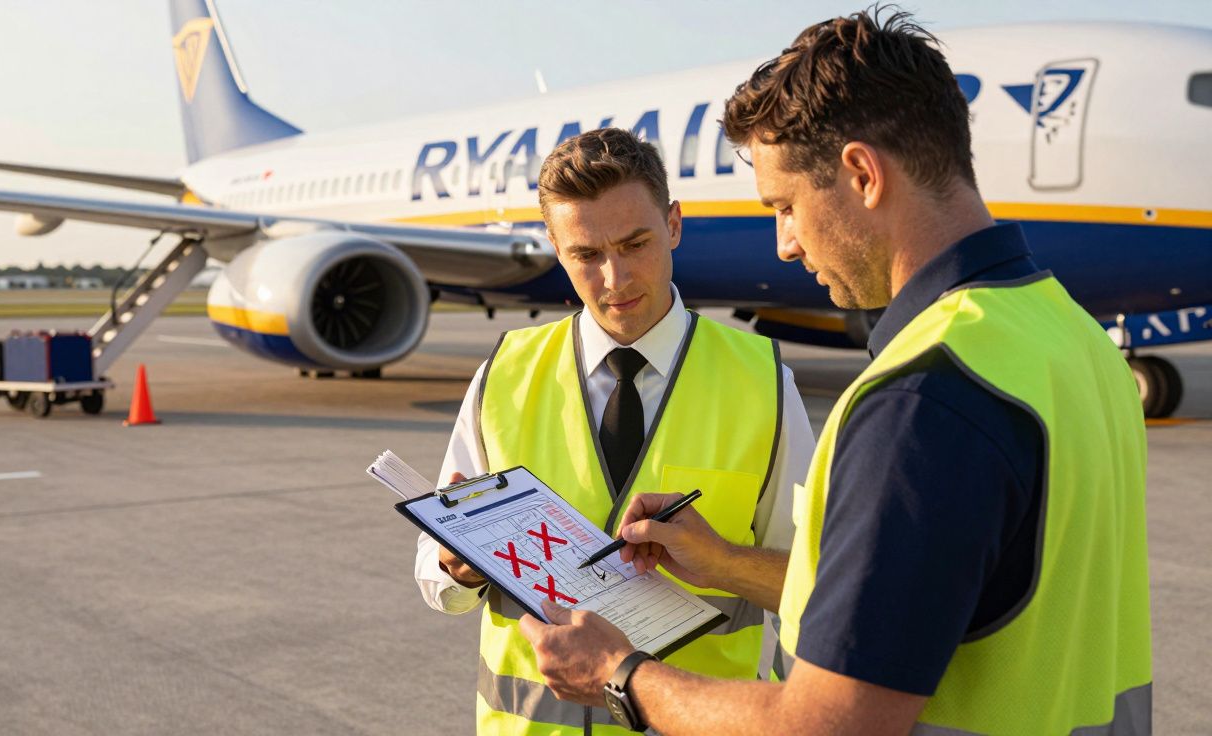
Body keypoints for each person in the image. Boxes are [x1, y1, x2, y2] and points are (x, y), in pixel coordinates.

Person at [519, 9, 1152, 735]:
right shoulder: (1071, 338)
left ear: (860, 173)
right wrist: (724, 561)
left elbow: (826, 725)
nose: (784, 244)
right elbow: (933, 598)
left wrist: (619, 674)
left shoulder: (924, 398)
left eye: (785, 206)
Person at [413, 127, 815, 734]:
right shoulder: (503, 373)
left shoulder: (765, 384)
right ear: (554, 246)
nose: (615, 279)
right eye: (586, 255)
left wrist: (727, 564)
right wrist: (454, 566)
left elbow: (815, 587)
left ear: (674, 224)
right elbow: (434, 574)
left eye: (635, 244)